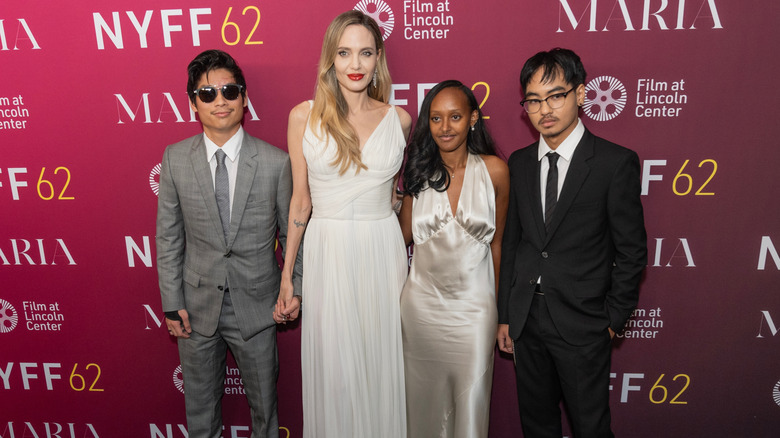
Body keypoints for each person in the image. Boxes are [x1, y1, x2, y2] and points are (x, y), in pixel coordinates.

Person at [496, 48, 647, 437]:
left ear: (580, 95)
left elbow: (632, 251)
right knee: (537, 426)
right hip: (527, 320)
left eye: (556, 95)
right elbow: (513, 243)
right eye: (533, 100)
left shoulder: (614, 163)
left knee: (591, 427)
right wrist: (506, 315)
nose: (544, 109)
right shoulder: (520, 162)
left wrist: (612, 320)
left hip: (584, 323)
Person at [275, 10, 412, 438]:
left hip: (381, 248)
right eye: (345, 52)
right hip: (328, 248)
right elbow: (301, 201)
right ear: (330, 59)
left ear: (378, 60)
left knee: (380, 360)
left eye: (366, 53)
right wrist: (287, 278)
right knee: (336, 372)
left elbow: (393, 195)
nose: (355, 64)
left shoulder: (401, 120)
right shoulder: (304, 117)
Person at [156, 49, 302, 438]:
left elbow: (292, 237)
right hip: (195, 310)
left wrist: (295, 289)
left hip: (258, 307)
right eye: (207, 94)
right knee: (201, 415)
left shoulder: (275, 163)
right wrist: (172, 302)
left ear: (244, 97)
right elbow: (169, 237)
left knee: (265, 415)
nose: (220, 100)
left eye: (229, 90)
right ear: (193, 104)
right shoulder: (174, 160)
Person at [398, 80, 509, 438]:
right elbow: (400, 240)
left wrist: (500, 311)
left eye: (456, 117)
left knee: (471, 404)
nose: (445, 127)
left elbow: (498, 246)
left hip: (475, 311)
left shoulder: (494, 171)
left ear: (473, 118)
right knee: (422, 406)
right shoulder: (417, 175)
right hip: (421, 311)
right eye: (435, 118)